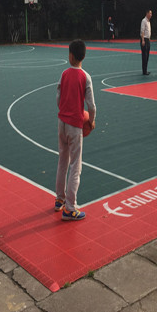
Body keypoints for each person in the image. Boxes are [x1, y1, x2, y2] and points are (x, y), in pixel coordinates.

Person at [55, 39, 96, 221]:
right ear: (83, 56)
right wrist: (92, 121)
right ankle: (70, 208)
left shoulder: (64, 74)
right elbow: (92, 106)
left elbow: (58, 97)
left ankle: (59, 199)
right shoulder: (85, 77)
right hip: (75, 125)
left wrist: (63, 109)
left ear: (70, 55)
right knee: (76, 167)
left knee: (62, 161)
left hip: (61, 123)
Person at [140, 9, 152, 75]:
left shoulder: (148, 21)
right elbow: (142, 31)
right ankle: (144, 71)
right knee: (144, 55)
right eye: (150, 13)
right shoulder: (144, 21)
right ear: (147, 13)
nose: (151, 15)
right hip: (144, 39)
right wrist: (143, 40)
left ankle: (146, 70)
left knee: (147, 55)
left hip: (148, 39)